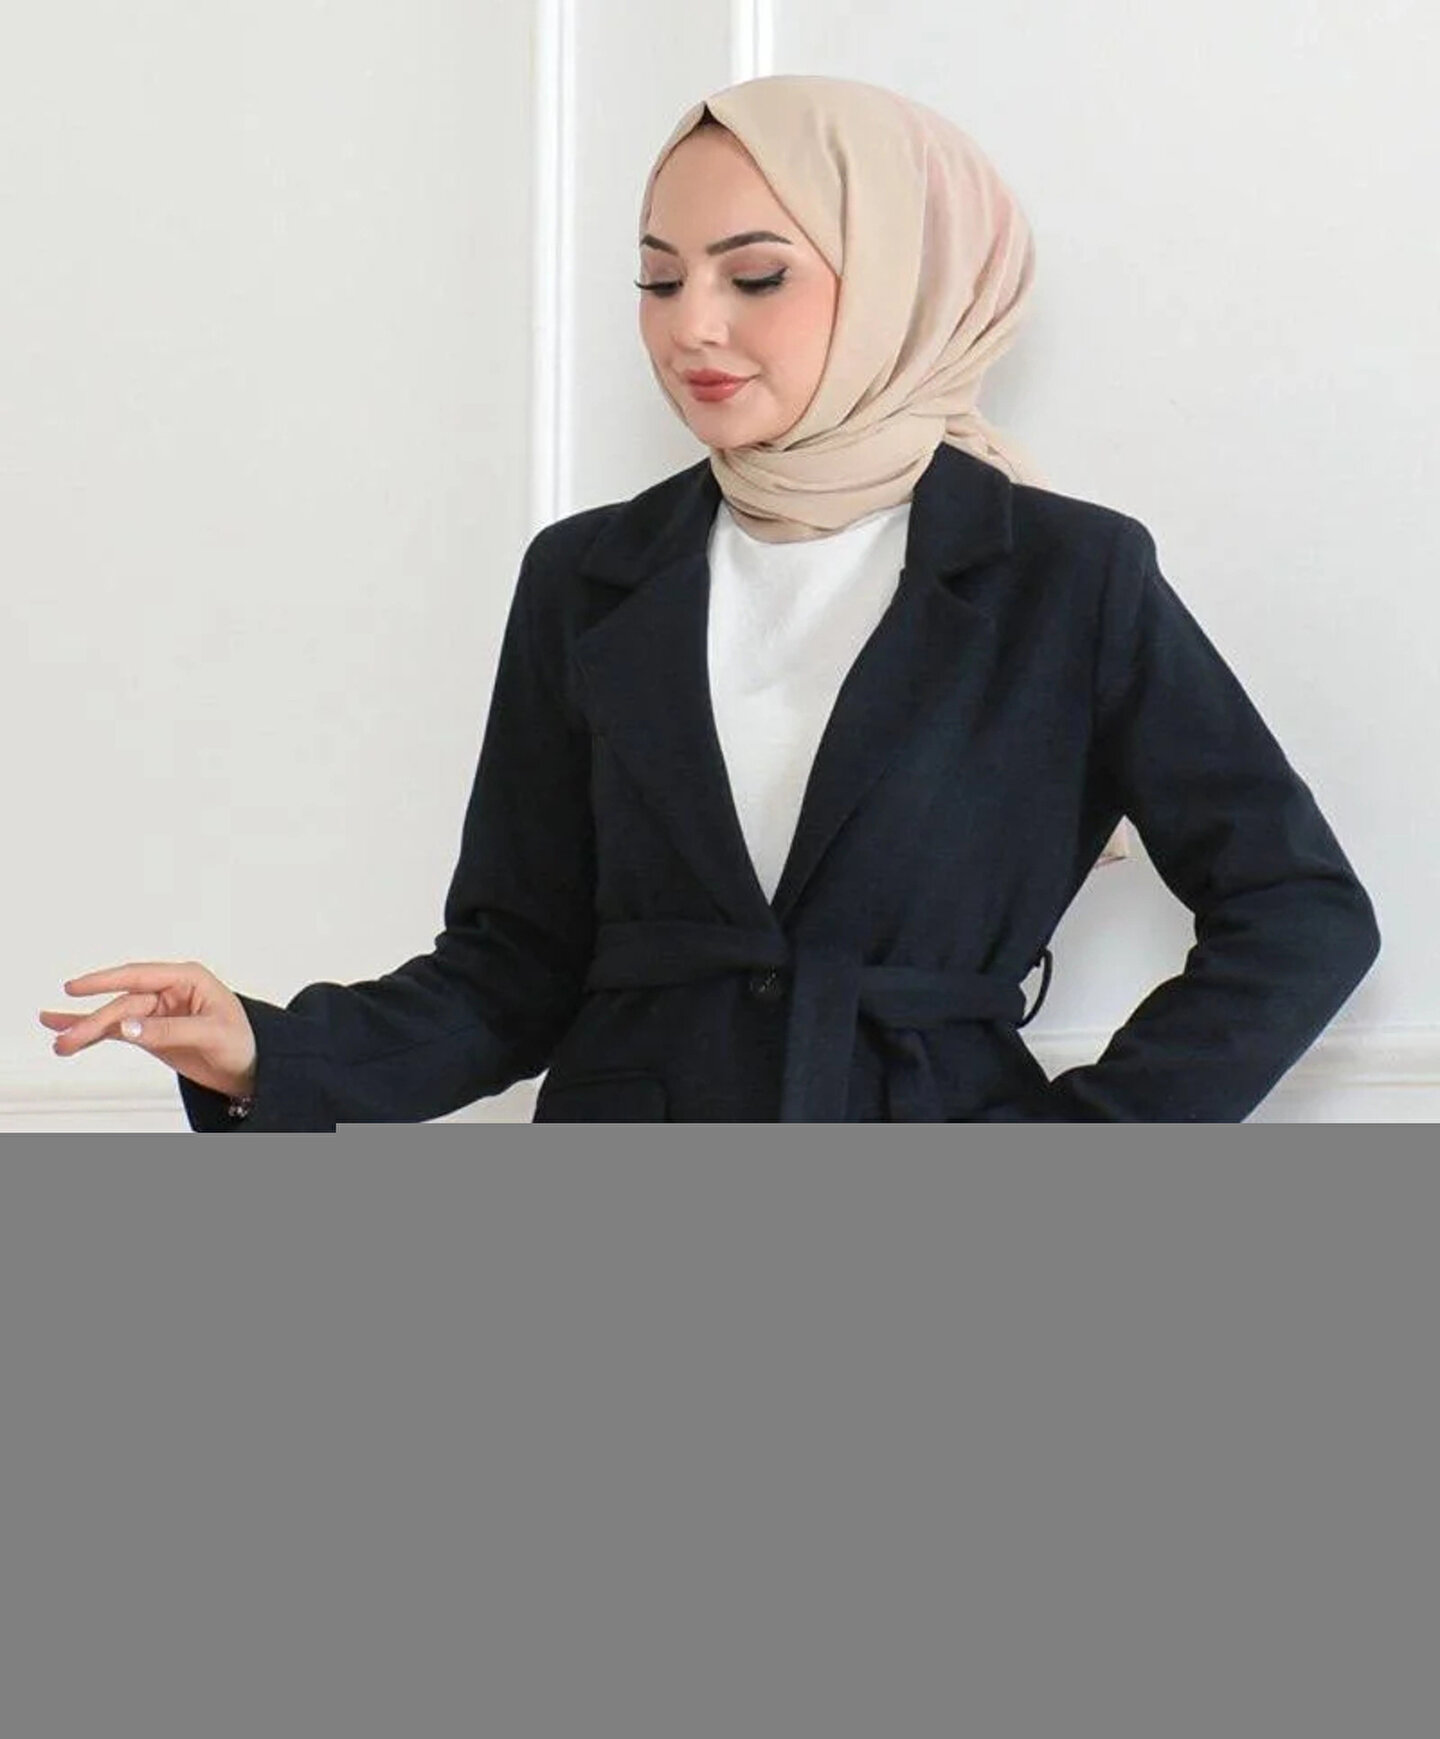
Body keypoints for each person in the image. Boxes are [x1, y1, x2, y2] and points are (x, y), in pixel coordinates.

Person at [41, 75, 1380, 1124]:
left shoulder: (1066, 575)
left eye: (755, 276)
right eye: (658, 277)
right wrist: (267, 1050)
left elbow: (1301, 914)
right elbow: (516, 965)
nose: (691, 326)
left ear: (903, 278)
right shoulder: (584, 576)